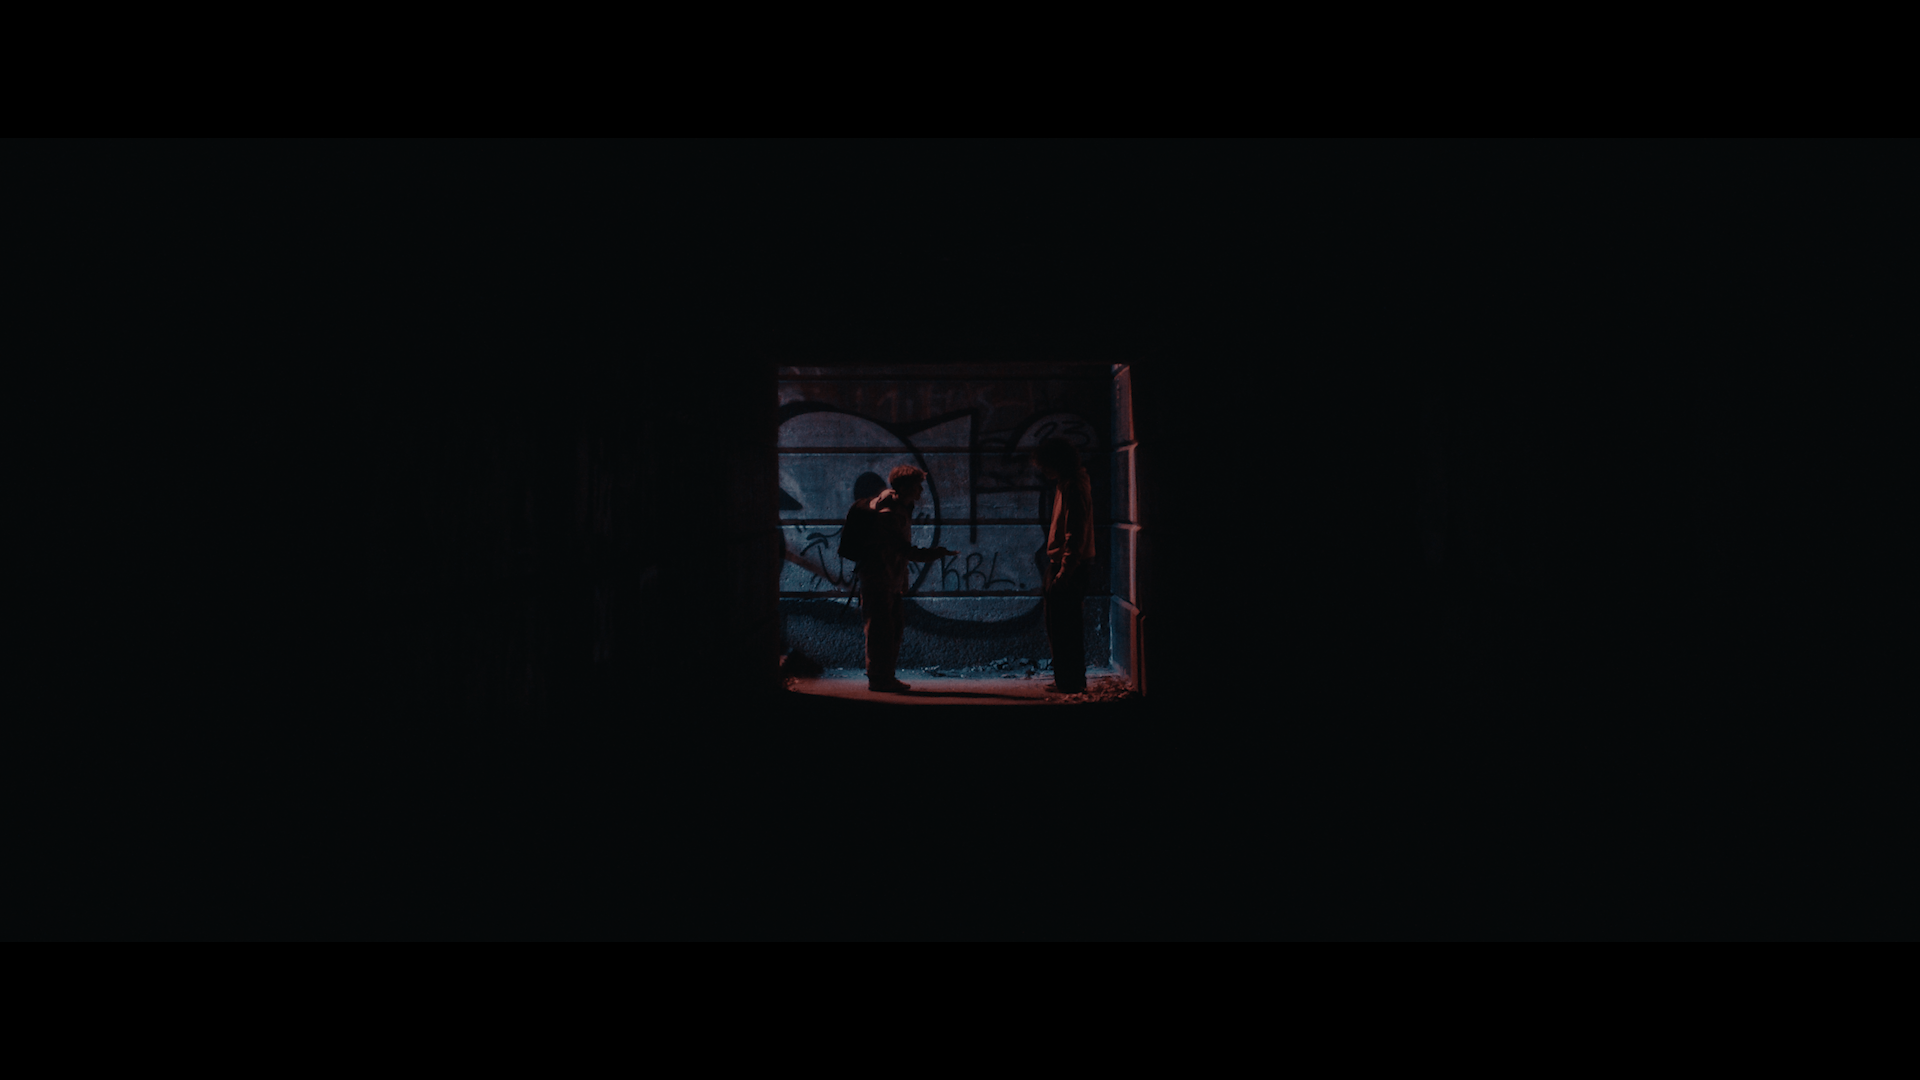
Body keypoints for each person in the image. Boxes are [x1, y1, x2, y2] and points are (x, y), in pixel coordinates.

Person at [856, 465, 955, 692]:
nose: (921, 490)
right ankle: (879, 680)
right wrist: (933, 554)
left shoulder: (899, 508)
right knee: (881, 632)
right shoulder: (888, 513)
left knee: (891, 630)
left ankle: (884, 677)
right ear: (905, 487)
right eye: (917, 486)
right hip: (879, 581)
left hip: (887, 580)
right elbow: (901, 549)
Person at [1033, 435, 1095, 694]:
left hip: (1068, 565)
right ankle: (1067, 680)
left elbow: (1075, 532)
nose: (1043, 471)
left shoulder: (1073, 487)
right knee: (1061, 625)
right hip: (1066, 563)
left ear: (1056, 462)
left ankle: (1070, 682)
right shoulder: (1069, 483)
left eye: (1045, 465)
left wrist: (1065, 571)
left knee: (1063, 626)